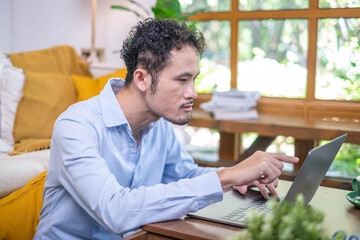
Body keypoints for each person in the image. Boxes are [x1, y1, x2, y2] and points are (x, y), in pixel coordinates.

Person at [34, 18, 298, 239]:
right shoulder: (77, 126)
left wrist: (240, 176)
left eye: (193, 80)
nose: (193, 93)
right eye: (182, 80)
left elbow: (186, 174)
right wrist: (227, 176)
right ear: (141, 78)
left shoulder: (158, 125)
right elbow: (115, 211)